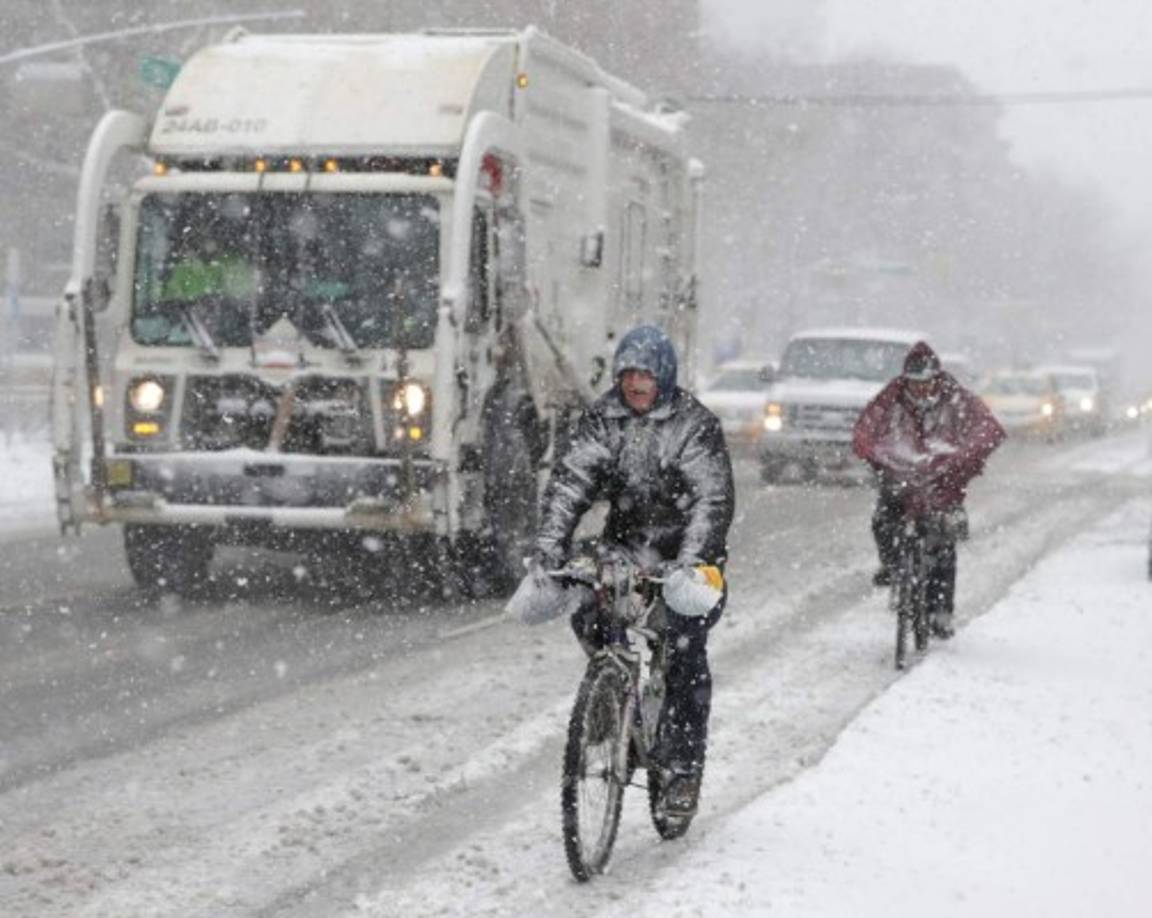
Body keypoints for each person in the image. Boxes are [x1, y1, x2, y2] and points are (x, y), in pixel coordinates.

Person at [533, 324, 735, 816]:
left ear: (663, 375)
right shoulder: (603, 419)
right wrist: (549, 548)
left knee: (686, 656)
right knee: (586, 598)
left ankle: (682, 769)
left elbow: (711, 500)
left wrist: (691, 563)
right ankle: (612, 693)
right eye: (627, 374)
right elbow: (570, 485)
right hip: (624, 549)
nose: (635, 383)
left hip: (686, 560)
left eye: (645, 374)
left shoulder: (693, 425)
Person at [853, 341, 1005, 638]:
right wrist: (873, 452)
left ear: (937, 377)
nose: (921, 390)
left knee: (944, 544)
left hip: (943, 484)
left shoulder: (958, 399)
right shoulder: (891, 397)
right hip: (900, 477)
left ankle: (941, 611)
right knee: (883, 520)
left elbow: (987, 428)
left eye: (927, 383)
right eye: (915, 384)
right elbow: (865, 428)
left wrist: (962, 456)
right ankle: (893, 566)